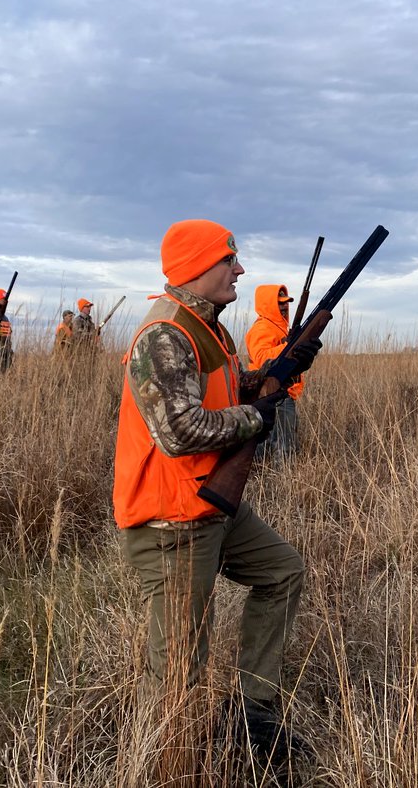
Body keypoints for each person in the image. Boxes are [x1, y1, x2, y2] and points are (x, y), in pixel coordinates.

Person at [112, 219, 320, 770]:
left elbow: (219, 390)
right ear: (197, 269)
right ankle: (161, 767)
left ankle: (252, 714)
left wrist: (272, 374)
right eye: (229, 260)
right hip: (171, 521)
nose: (240, 270)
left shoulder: (211, 329)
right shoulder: (164, 335)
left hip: (208, 506)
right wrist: (257, 416)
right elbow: (180, 431)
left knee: (282, 572)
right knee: (179, 666)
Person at [245, 285, 306, 458]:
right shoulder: (262, 328)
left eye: (285, 303)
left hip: (281, 391)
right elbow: (262, 358)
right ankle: (284, 480)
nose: (284, 307)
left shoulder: (278, 327)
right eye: (279, 303)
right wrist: (290, 346)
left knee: (271, 441)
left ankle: (263, 474)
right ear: (267, 304)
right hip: (272, 392)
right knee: (283, 444)